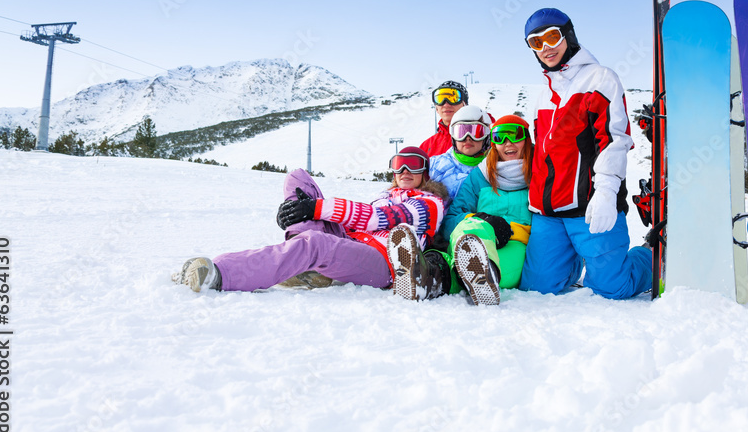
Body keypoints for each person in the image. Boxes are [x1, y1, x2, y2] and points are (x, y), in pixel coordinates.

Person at [174, 146, 448, 293]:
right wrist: (303, 209)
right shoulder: (384, 195)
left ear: (425, 172)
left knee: (315, 243)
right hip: (350, 241)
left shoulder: (431, 203)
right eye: (398, 164)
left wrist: (316, 210)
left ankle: (221, 274)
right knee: (298, 179)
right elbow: (359, 220)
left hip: (382, 263)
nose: (404, 170)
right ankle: (305, 264)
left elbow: (380, 218)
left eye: (413, 164)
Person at [518, 8, 653, 300]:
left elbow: (614, 140)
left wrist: (606, 192)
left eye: (552, 37)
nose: (546, 47)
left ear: (568, 35)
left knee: (613, 288)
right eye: (536, 42)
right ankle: (574, 261)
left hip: (591, 207)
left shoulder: (600, 79)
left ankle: (651, 255)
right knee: (537, 290)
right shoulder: (542, 94)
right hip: (548, 213)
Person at [390, 115, 533, 306]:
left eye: (515, 135)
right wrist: (482, 219)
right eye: (499, 137)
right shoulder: (481, 176)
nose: (508, 143)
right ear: (493, 142)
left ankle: (434, 277)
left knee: (500, 265)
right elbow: (452, 218)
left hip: (515, 241)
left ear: (527, 139)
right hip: (472, 238)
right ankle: (441, 270)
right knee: (470, 228)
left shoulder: (538, 173)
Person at [427, 105, 492, 201]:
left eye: (476, 132)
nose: (468, 137)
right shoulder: (434, 166)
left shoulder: (496, 167)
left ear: (486, 137)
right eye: (461, 132)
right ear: (453, 136)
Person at [420, 80, 469, 157]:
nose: (446, 104)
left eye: (453, 98)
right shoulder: (426, 146)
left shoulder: (478, 138)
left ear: (464, 105)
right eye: (440, 99)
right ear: (436, 108)